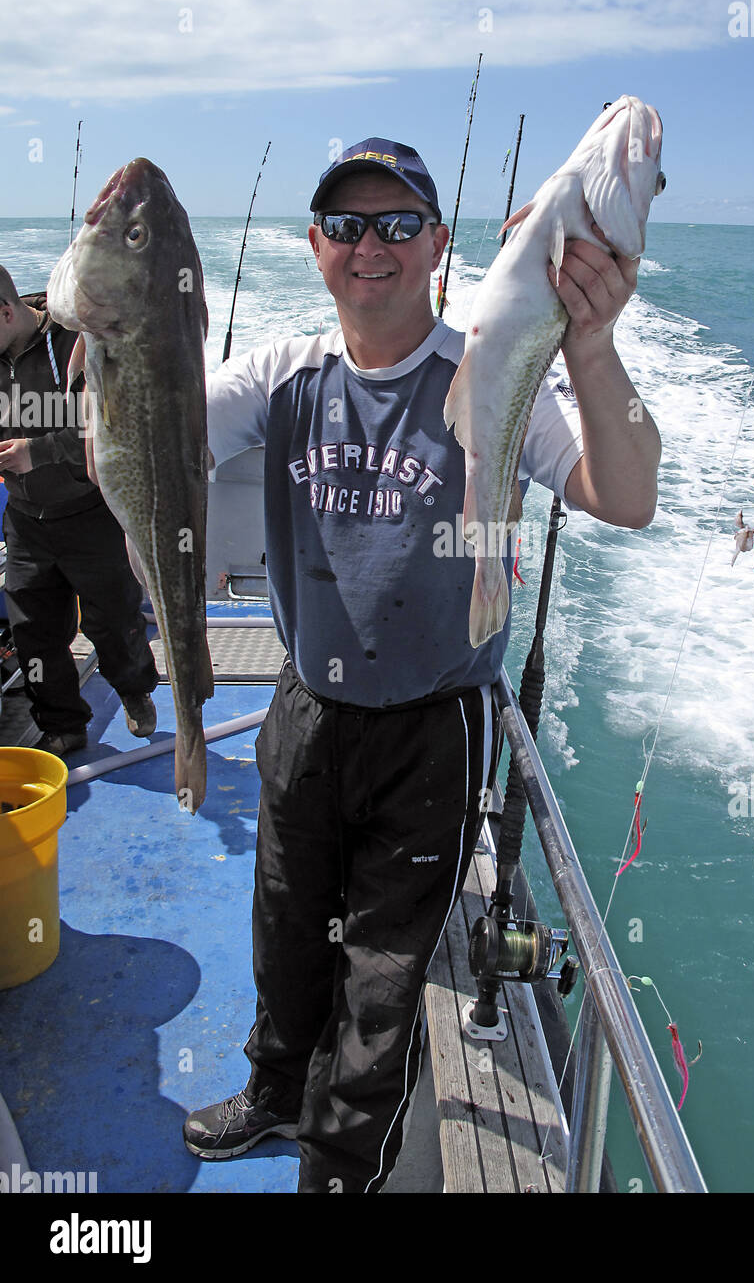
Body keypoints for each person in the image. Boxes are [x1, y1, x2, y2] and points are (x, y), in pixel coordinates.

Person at [185, 137, 661, 1192]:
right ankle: (272, 1090)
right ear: (314, 247)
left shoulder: (491, 370)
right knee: (282, 922)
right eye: (347, 225)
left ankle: (339, 1164)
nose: (371, 246)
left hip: (431, 729)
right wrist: (104, 341)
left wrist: (587, 342)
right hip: (305, 708)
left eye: (398, 224)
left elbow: (625, 495)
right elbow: (160, 434)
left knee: (383, 978)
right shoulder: (283, 374)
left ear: (440, 248)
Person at [0, 267, 158, 755]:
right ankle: (62, 723)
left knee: (113, 621)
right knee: (33, 631)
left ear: (6, 312)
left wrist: (38, 452)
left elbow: (115, 427)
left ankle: (134, 689)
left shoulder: (80, 342)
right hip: (26, 520)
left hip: (90, 513)